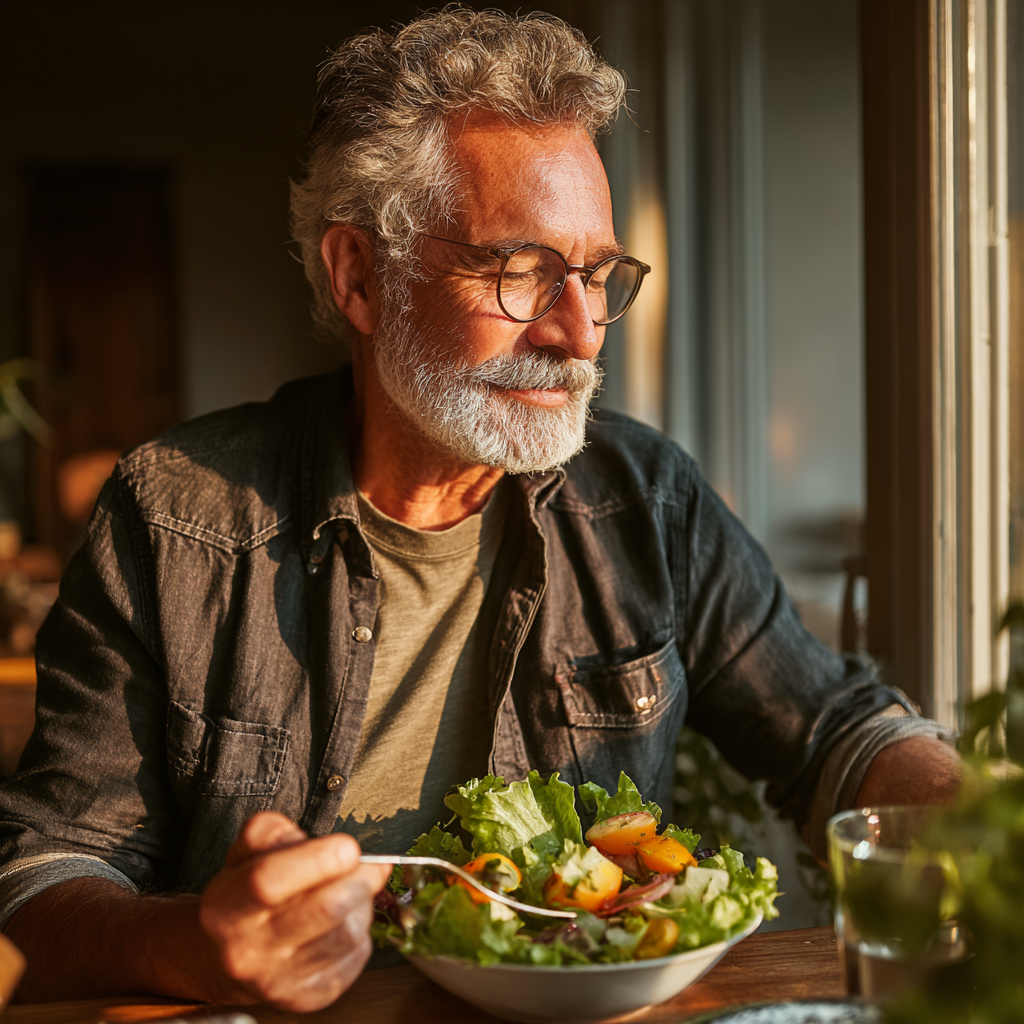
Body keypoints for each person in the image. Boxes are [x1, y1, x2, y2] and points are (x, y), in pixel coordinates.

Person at [0, 7, 960, 1012]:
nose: (581, 332)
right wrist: (194, 944)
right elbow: (39, 880)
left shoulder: (645, 497)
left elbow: (833, 735)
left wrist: (983, 827)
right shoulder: (172, 518)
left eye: (595, 274)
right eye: (520, 270)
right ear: (360, 275)